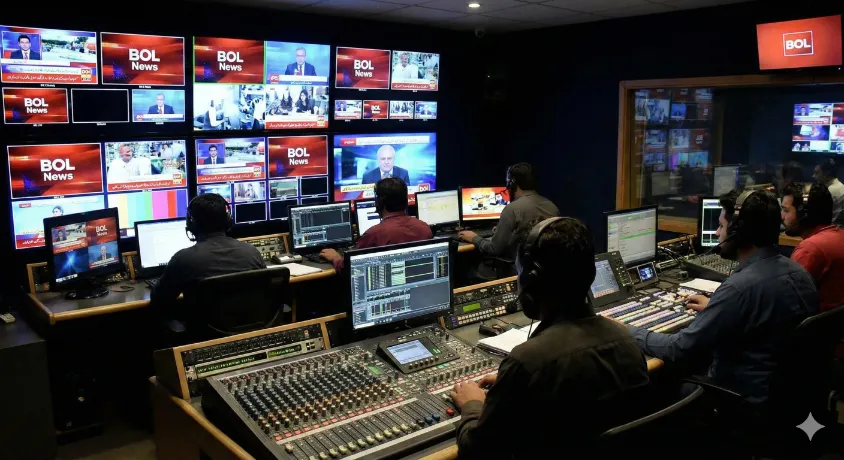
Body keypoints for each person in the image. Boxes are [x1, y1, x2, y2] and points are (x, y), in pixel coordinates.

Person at [449, 218, 650, 457]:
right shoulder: (626, 340)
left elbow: (477, 450)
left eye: (520, 272)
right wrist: (510, 383)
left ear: (533, 281)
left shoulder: (527, 362)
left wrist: (472, 405)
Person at [629, 189, 818, 410]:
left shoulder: (739, 289)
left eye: (721, 226)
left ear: (738, 231)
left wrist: (624, 330)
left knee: (653, 388)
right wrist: (717, 307)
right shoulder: (801, 275)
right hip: (785, 401)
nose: (718, 233)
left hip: (738, 400)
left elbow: (677, 349)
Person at [150, 194, 266, 311]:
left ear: (191, 225)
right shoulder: (252, 252)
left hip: (204, 329)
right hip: (255, 327)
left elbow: (159, 300)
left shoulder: (183, 259)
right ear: (228, 221)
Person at [458, 163, 559, 278]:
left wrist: (473, 238)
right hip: (543, 271)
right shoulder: (551, 206)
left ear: (512, 183)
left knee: (466, 270)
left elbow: (493, 249)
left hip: (515, 270)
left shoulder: (512, 209)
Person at [320, 178, 431, 271]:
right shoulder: (424, 228)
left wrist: (336, 258)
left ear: (379, 202)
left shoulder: (374, 234)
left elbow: (350, 268)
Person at [781, 182, 844, 312]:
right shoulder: (839, 236)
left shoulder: (810, 249)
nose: (782, 216)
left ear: (804, 215)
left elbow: (787, 301)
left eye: (786, 210)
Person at [812, 158, 844, 225]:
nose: (813, 176)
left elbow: (815, 217)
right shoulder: (841, 186)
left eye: (816, 173)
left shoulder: (828, 191)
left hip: (828, 229)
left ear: (827, 173)